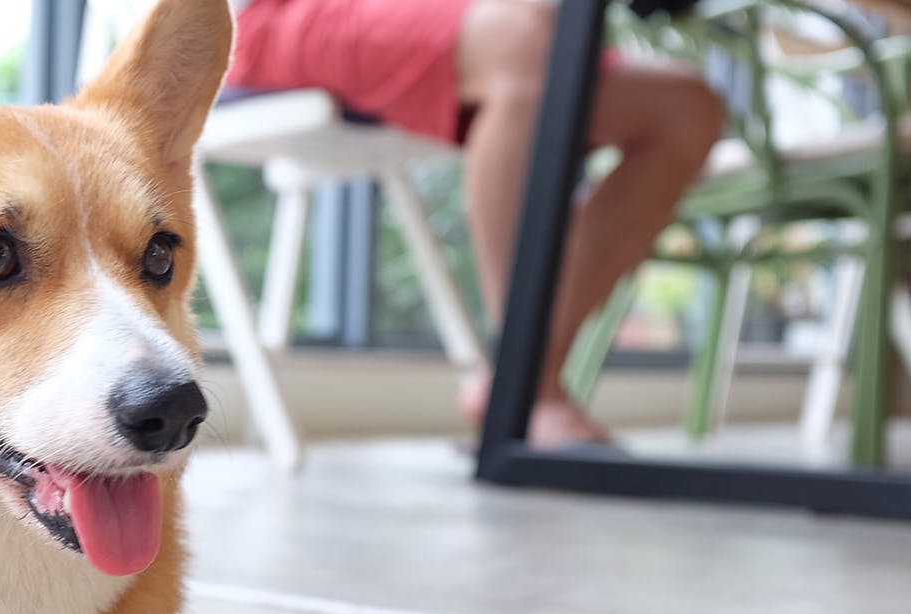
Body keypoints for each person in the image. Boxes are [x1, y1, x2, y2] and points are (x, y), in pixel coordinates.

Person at [227, 0, 726, 448]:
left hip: (470, 19)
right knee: (526, 35)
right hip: (281, 16)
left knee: (684, 109)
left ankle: (520, 381)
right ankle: (531, 390)